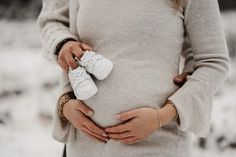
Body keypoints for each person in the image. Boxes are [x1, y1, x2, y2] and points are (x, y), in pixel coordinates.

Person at [37, 0, 230, 157]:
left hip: (159, 145)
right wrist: (66, 102)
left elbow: (212, 61)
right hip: (85, 148)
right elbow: (64, 33)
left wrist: (162, 116)